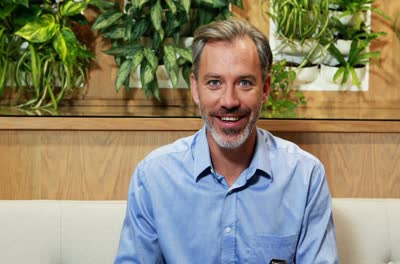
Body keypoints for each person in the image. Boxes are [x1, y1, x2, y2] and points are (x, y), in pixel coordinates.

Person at [114, 18, 339, 264]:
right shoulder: (153, 177)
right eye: (214, 83)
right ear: (195, 89)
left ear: (265, 89)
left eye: (244, 83)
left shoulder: (306, 177)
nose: (229, 101)